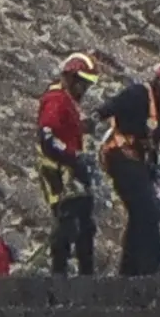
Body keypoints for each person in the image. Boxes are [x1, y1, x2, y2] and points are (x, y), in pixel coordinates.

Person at [95, 57, 160, 276]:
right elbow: (111, 106)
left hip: (139, 163)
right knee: (146, 210)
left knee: (140, 214)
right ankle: (149, 268)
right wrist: (93, 117)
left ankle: (129, 272)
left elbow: (152, 144)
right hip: (121, 158)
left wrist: (154, 172)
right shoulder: (138, 93)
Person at [37, 52, 101, 275]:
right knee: (67, 224)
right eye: (82, 84)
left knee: (85, 225)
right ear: (71, 78)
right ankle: (60, 274)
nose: (84, 90)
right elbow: (48, 136)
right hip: (58, 172)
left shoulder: (65, 100)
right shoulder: (56, 100)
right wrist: (73, 157)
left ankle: (86, 274)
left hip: (71, 169)